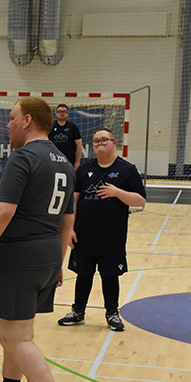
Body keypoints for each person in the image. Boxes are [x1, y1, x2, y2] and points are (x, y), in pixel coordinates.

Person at [0, 96, 79, 382]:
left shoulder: (23, 157)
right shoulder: (64, 162)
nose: (8, 124)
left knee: (15, 336)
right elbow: (68, 221)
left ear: (28, 121)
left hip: (18, 257)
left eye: (12, 118)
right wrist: (58, 263)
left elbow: (4, 211)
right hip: (46, 256)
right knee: (15, 330)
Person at [57, 128, 146, 332]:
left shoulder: (127, 170)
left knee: (109, 276)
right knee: (83, 274)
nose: (99, 144)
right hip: (83, 234)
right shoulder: (84, 169)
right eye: (96, 141)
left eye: (104, 140)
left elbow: (140, 200)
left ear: (114, 143)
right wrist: (70, 228)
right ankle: (78, 312)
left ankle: (112, 313)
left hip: (111, 236)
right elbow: (74, 200)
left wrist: (117, 192)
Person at [50, 104, 83, 172]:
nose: (62, 113)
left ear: (67, 114)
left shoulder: (72, 127)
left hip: (69, 161)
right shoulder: (51, 126)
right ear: (56, 114)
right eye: (60, 111)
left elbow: (79, 144)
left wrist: (77, 162)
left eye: (64, 111)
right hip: (53, 161)